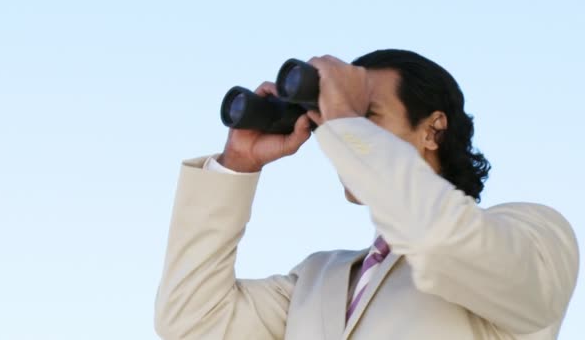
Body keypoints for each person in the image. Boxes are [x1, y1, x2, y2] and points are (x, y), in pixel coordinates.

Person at [153, 49, 579, 340]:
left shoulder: (535, 235)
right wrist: (237, 164)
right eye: (333, 121)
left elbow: (440, 239)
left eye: (366, 115)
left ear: (434, 129)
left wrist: (341, 116)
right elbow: (192, 321)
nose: (339, 136)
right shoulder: (319, 278)